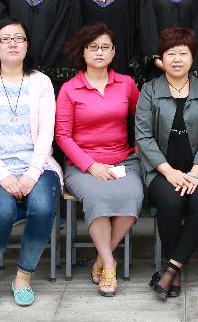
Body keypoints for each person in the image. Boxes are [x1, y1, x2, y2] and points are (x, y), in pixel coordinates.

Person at [0, 19, 62, 308]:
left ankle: (24, 276)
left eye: (19, 38)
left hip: (38, 165)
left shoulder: (41, 82)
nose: (12, 43)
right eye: (5, 38)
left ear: (27, 45)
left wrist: (33, 173)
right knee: (2, 210)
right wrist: (3, 174)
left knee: (43, 208)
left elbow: (47, 132)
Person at [55, 23, 143, 297]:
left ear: (114, 52)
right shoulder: (70, 89)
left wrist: (139, 148)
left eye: (105, 47)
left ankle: (102, 258)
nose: (99, 52)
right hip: (83, 165)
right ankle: (110, 263)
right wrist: (91, 165)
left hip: (122, 160)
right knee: (97, 199)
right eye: (93, 47)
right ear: (83, 52)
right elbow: (62, 136)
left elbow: (143, 120)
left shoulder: (126, 84)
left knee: (133, 195)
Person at [135, 27, 198, 300]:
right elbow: (143, 136)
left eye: (183, 53)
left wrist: (195, 173)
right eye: (170, 53)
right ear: (161, 58)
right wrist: (169, 172)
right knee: (170, 203)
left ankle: (171, 269)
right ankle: (176, 270)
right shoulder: (149, 90)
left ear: (192, 57)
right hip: (162, 169)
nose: (176, 59)